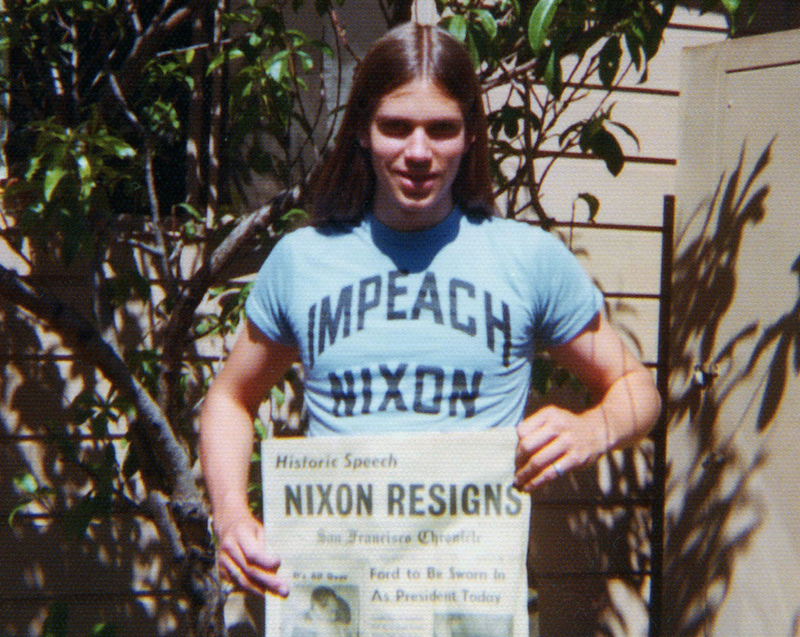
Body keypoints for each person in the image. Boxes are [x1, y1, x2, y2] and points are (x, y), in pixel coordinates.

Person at [199, 22, 661, 599]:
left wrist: (592, 429)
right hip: (338, 600)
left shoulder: (528, 259)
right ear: (363, 131)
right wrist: (232, 516)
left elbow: (636, 389)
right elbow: (229, 399)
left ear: (469, 135)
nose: (418, 152)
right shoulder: (302, 260)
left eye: (441, 129)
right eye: (396, 127)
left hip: (471, 597)